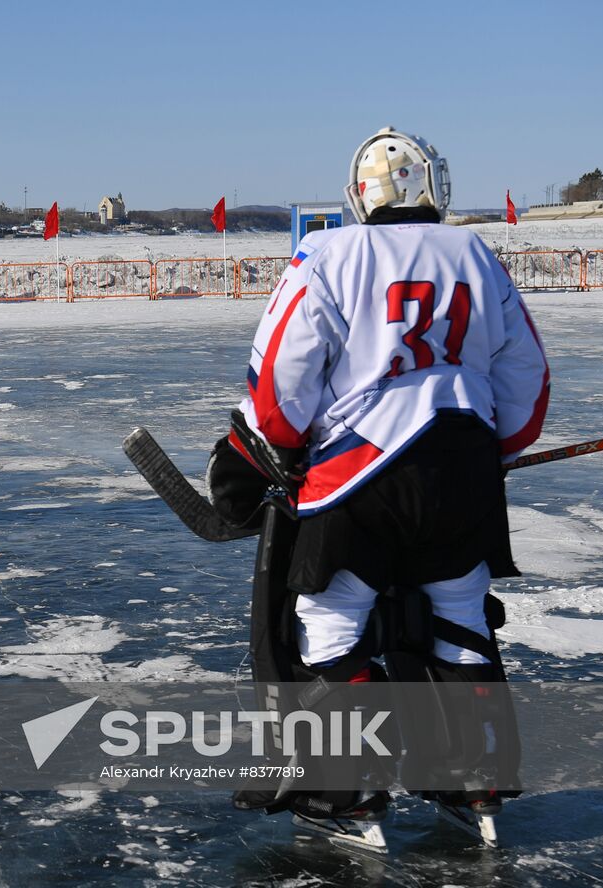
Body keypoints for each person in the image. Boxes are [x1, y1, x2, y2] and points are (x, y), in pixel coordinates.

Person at [211, 127, 549, 845]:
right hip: (463, 475)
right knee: (460, 618)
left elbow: (282, 380)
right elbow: (526, 376)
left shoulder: (328, 252)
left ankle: (348, 791)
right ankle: (476, 782)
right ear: (435, 187)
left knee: (330, 624)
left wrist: (254, 454)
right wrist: (498, 449)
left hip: (360, 477)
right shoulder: (478, 254)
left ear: (358, 194)